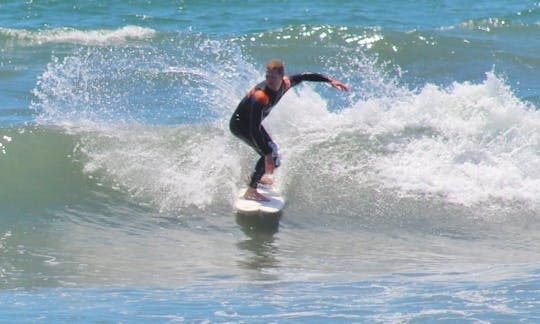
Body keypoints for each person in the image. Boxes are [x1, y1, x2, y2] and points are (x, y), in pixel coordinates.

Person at [230, 59, 349, 201]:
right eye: (267, 76)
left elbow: (304, 76)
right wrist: (266, 155)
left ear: (281, 77)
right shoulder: (260, 96)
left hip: (252, 124)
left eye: (273, 77)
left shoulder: (286, 84)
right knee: (268, 154)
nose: (269, 80)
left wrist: (329, 80)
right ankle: (251, 190)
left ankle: (256, 178)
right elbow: (254, 129)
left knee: (274, 159)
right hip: (240, 125)